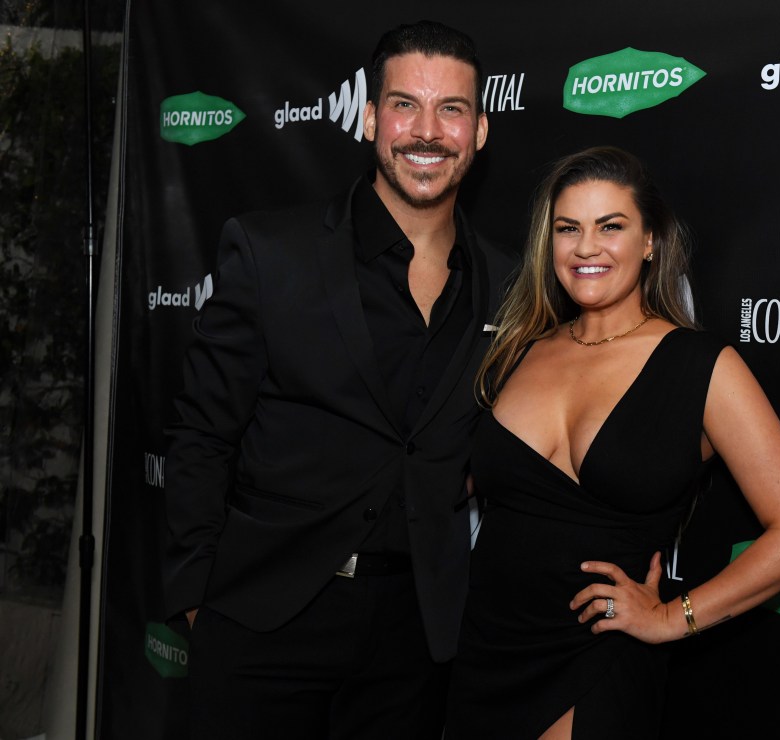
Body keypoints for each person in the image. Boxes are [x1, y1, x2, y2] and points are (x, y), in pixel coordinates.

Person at [161, 19, 517, 740]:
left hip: (416, 637)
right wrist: (197, 598)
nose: (427, 131)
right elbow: (202, 435)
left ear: (479, 131)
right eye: (404, 105)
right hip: (263, 616)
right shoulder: (270, 252)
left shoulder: (511, 287)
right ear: (367, 118)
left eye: (451, 109)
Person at [444, 145, 780, 739]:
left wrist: (671, 619)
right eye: (568, 228)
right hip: (484, 650)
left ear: (650, 240)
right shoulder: (520, 348)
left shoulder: (701, 366)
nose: (586, 248)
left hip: (598, 657)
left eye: (611, 226)